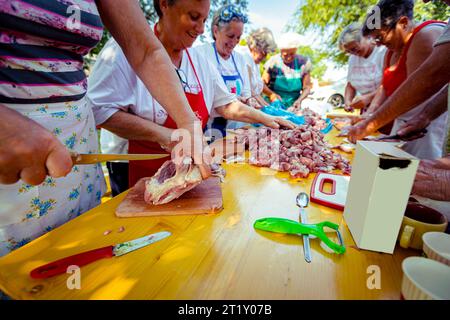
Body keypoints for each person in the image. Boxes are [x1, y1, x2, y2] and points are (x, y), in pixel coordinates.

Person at [0, 0, 211, 257]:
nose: (200, 28)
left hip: (78, 152)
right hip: (10, 160)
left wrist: (188, 124)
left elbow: (146, 51)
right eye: (194, 17)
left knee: (80, 260)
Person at [88, 0, 296, 190]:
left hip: (186, 169)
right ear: (164, 5)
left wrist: (268, 119)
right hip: (131, 167)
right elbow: (100, 110)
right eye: (194, 17)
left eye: (204, 20)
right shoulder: (122, 50)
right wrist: (164, 136)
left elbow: (227, 105)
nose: (201, 29)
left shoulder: (198, 61)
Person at [346, 0, 447, 159]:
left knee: (417, 175)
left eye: (380, 37)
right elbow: (384, 89)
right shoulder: (390, 52)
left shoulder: (425, 35)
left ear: (403, 23)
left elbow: (420, 89)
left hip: (429, 129)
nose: (379, 44)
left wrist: (370, 124)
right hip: (403, 127)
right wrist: (369, 115)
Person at [195, 4, 253, 136]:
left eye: (238, 37)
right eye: (230, 36)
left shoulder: (240, 60)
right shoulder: (200, 54)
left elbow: (246, 92)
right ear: (216, 31)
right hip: (206, 130)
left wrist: (247, 99)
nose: (234, 42)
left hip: (235, 130)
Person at [338, 23, 387, 114]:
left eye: (354, 48)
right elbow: (350, 85)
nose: (353, 53)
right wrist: (348, 100)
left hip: (386, 108)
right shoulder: (352, 59)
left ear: (366, 37)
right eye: (348, 51)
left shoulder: (382, 52)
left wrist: (369, 97)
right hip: (367, 111)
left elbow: (389, 86)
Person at [262, 32, 312, 110]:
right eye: (285, 55)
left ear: (296, 50)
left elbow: (307, 87)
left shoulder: (303, 63)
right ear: (281, 51)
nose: (288, 58)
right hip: (274, 104)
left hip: (293, 105)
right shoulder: (273, 62)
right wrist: (272, 95)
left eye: (292, 54)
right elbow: (261, 84)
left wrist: (299, 100)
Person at [235, 27, 280, 107]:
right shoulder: (244, 56)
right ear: (255, 46)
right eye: (263, 52)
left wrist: (271, 95)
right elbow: (249, 91)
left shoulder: (255, 61)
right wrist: (267, 107)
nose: (265, 56)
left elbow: (258, 87)